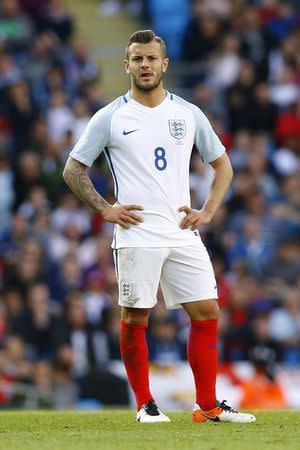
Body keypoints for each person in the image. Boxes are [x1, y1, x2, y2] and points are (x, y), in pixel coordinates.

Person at [63, 29, 256, 424]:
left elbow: (223, 166)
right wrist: (106, 209)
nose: (145, 65)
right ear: (127, 65)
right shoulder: (111, 117)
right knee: (136, 317)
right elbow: (73, 169)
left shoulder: (187, 113)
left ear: (164, 64)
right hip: (137, 233)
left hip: (182, 231)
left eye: (152, 58)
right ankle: (145, 405)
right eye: (137, 59)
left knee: (207, 312)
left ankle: (207, 406)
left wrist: (209, 210)